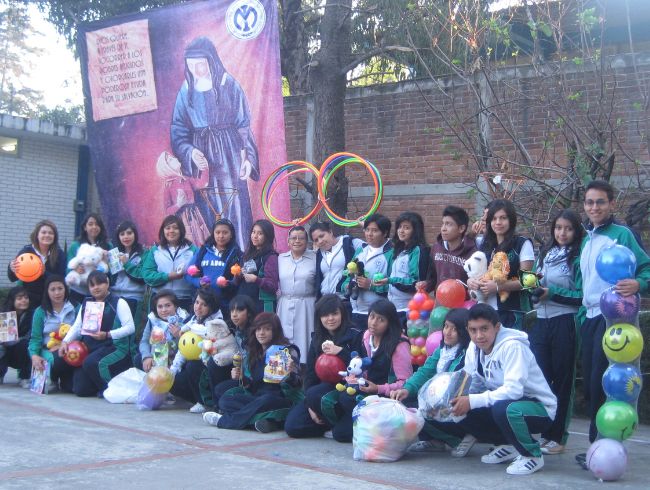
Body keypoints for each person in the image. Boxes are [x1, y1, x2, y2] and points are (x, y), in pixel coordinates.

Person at [425, 304, 557, 476]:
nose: (479, 336)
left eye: (484, 329)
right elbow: (470, 380)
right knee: (459, 408)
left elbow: (514, 391)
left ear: (497, 327)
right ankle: (508, 445)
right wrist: (448, 401)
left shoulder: (513, 347)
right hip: (505, 403)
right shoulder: (474, 348)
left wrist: (472, 400)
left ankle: (532, 454)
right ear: (468, 330)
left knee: (504, 409)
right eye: (473, 330)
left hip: (539, 408)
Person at [574, 180, 650, 467]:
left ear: (612, 204)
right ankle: (597, 446)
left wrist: (639, 283)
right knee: (591, 386)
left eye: (600, 202)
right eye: (589, 202)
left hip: (615, 320)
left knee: (606, 383)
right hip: (590, 317)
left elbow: (646, 268)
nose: (594, 207)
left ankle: (603, 447)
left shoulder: (622, 235)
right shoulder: (586, 238)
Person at [171, 36, 260, 248]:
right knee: (208, 209)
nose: (196, 70)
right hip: (203, 161)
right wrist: (191, 152)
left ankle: (240, 255)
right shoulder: (186, 91)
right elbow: (178, 129)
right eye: (191, 65)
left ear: (211, 61)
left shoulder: (229, 84)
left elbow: (244, 125)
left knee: (234, 207)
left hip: (230, 156)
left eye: (200, 64)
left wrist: (248, 158)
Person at [528, 209, 583, 455]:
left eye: (568, 228)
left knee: (563, 381)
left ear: (576, 231)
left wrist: (553, 294)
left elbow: (581, 296)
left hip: (565, 321)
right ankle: (543, 432)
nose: (562, 233)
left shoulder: (578, 257)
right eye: (559, 228)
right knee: (540, 379)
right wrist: (531, 286)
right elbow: (533, 281)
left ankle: (558, 436)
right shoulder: (545, 253)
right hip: (541, 321)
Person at [202, 312, 301, 433]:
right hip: (257, 398)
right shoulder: (255, 351)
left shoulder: (287, 350)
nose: (261, 333)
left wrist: (290, 374)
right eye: (258, 329)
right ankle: (266, 422)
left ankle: (224, 421)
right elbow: (253, 384)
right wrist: (242, 378)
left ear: (275, 331)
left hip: (279, 399)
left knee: (266, 400)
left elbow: (297, 384)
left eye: (267, 329)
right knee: (225, 400)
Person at [330, 299, 412, 443]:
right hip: (366, 393)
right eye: (372, 316)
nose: (374, 323)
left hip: (386, 399)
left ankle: (379, 430)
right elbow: (359, 365)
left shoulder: (399, 344)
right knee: (342, 401)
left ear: (390, 323)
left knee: (341, 433)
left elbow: (405, 382)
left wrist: (378, 388)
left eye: (381, 320)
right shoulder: (366, 336)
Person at [390, 308, 470, 452]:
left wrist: (430, 401)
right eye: (446, 326)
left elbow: (453, 386)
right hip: (437, 396)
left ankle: (456, 440)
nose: (448, 332)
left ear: (464, 332)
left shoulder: (465, 354)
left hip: (454, 402)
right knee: (404, 400)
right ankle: (433, 440)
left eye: (454, 329)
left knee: (419, 411)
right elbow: (425, 371)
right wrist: (407, 389)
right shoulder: (443, 349)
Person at [285, 294, 363, 438]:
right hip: (319, 392)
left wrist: (341, 352)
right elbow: (310, 374)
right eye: (325, 315)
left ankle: (337, 424)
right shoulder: (317, 338)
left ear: (342, 314)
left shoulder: (355, 334)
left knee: (317, 395)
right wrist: (310, 405)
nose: (330, 319)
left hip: (345, 391)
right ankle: (326, 424)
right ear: (319, 318)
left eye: (335, 314)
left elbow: (361, 367)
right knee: (293, 426)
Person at [59, 271, 136, 397]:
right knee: (80, 390)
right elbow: (77, 327)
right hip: (90, 348)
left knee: (91, 362)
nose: (96, 287)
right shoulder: (86, 303)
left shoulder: (119, 302)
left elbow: (130, 328)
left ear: (107, 283)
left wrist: (107, 334)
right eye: (92, 285)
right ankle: (98, 383)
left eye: (100, 283)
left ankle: (110, 389)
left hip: (113, 347)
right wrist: (65, 342)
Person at [468, 199, 534, 329]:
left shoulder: (522, 243)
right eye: (494, 219)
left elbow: (529, 281)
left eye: (503, 218)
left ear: (511, 220)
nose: (498, 222)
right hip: (485, 313)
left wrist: (499, 286)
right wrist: (471, 282)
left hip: (512, 313)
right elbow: (478, 274)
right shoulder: (485, 246)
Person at [169, 289, 222, 413]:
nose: (198, 307)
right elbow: (184, 347)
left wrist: (188, 327)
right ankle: (195, 399)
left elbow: (205, 331)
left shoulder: (217, 321)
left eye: (204, 305)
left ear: (211, 307)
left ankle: (205, 402)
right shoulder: (193, 319)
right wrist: (173, 369)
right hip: (194, 362)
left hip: (212, 365)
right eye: (197, 302)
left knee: (193, 366)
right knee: (172, 380)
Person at [340, 214, 393, 330]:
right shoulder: (360, 250)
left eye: (374, 231)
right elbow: (348, 274)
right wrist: (347, 285)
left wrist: (370, 285)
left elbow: (394, 286)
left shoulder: (391, 253)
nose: (369, 234)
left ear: (385, 233)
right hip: (355, 311)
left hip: (378, 315)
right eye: (367, 229)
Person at [28, 275, 78, 392]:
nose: (57, 293)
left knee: (71, 388)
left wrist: (64, 344)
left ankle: (65, 379)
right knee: (58, 359)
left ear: (65, 289)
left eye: (60, 288)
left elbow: (80, 332)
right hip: (48, 350)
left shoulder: (76, 307)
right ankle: (53, 378)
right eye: (53, 289)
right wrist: (34, 355)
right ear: (47, 292)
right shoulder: (40, 312)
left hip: (71, 349)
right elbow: (35, 338)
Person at [185, 218, 242, 320]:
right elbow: (187, 274)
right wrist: (199, 282)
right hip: (203, 304)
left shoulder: (237, 254)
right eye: (217, 232)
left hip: (225, 304)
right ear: (213, 234)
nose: (221, 236)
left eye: (225, 232)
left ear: (231, 234)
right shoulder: (203, 251)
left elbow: (238, 281)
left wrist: (227, 284)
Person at [207, 294, 257, 408]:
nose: (234, 314)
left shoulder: (256, 333)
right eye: (232, 310)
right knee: (213, 363)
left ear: (249, 312)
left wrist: (244, 377)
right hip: (236, 371)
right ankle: (217, 407)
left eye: (239, 310)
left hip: (250, 377)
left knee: (221, 391)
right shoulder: (231, 329)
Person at [277, 226, 317, 364]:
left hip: (306, 305)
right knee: (284, 339)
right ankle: (284, 371)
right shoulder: (280, 258)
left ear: (307, 241)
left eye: (301, 238)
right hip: (284, 304)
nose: (297, 241)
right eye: (293, 238)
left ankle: (304, 369)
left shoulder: (315, 257)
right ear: (288, 241)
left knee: (305, 339)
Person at [142, 215, 198, 312]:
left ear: (181, 230)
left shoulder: (193, 250)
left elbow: (199, 273)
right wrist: (168, 276)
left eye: (175, 228)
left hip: (185, 299)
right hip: (160, 300)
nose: (171, 231)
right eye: (167, 228)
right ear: (163, 231)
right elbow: (147, 275)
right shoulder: (155, 250)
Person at [381, 212, 428, 325]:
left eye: (406, 228)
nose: (401, 231)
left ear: (415, 231)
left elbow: (415, 283)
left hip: (409, 309)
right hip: (393, 308)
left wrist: (390, 280)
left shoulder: (417, 250)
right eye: (400, 227)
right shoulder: (399, 250)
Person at [7, 220, 67, 307]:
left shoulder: (59, 254)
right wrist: (11, 268)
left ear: (55, 237)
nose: (47, 235)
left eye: (51, 233)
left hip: (51, 300)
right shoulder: (26, 251)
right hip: (30, 300)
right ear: (37, 235)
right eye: (43, 232)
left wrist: (44, 273)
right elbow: (12, 278)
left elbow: (62, 278)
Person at [417, 205, 477, 293]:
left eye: (448, 224)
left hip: (463, 300)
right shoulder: (436, 248)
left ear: (461, 228)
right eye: (443, 223)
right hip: (440, 299)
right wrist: (426, 284)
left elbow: (475, 285)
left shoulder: (472, 253)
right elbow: (433, 278)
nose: (443, 229)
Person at [156, 150, 210, 246]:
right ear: (167, 168)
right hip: (181, 219)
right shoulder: (168, 186)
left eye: (172, 157)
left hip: (195, 215)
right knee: (188, 242)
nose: (174, 158)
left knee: (201, 240)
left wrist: (205, 167)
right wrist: (178, 204)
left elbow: (202, 183)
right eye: (170, 160)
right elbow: (167, 211)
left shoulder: (186, 179)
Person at [310, 221, 364, 311]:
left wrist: (366, 228)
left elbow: (371, 248)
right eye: (316, 240)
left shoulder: (350, 243)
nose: (320, 241)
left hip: (344, 301)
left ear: (330, 232)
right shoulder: (319, 254)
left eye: (322, 236)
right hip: (325, 302)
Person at [66, 213, 112, 305]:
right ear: (85, 227)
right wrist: (75, 269)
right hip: (78, 292)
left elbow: (112, 270)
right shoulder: (76, 245)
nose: (94, 227)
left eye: (97, 224)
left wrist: (105, 265)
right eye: (90, 224)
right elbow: (68, 267)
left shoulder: (108, 246)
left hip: (100, 293)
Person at [137, 290, 189, 372]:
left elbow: (188, 347)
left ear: (175, 306)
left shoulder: (185, 320)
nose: (164, 310)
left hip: (176, 360)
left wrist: (179, 336)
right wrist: (146, 357)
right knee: (138, 359)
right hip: (156, 356)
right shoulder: (153, 320)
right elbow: (144, 341)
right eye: (160, 307)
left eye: (168, 305)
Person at [235, 219, 279, 314]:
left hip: (262, 306)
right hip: (246, 304)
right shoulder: (247, 255)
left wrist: (256, 279)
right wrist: (238, 275)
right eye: (253, 232)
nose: (255, 236)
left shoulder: (271, 257)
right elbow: (240, 281)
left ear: (267, 236)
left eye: (260, 233)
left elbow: (273, 285)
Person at [111, 221, 147, 326]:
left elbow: (142, 277)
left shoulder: (143, 253)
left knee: (130, 330)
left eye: (129, 233)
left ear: (135, 234)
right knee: (115, 330)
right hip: (114, 297)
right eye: (122, 234)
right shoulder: (114, 253)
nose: (126, 237)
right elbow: (110, 278)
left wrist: (127, 264)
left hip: (134, 298)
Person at [0, 287, 34, 387]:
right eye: (19, 298)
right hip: (5, 348)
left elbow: (31, 335)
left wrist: (18, 340)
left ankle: (24, 377)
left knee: (27, 344)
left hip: (20, 349)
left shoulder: (32, 314)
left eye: (26, 298)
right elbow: (5, 340)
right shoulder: (4, 314)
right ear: (12, 300)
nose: (24, 300)